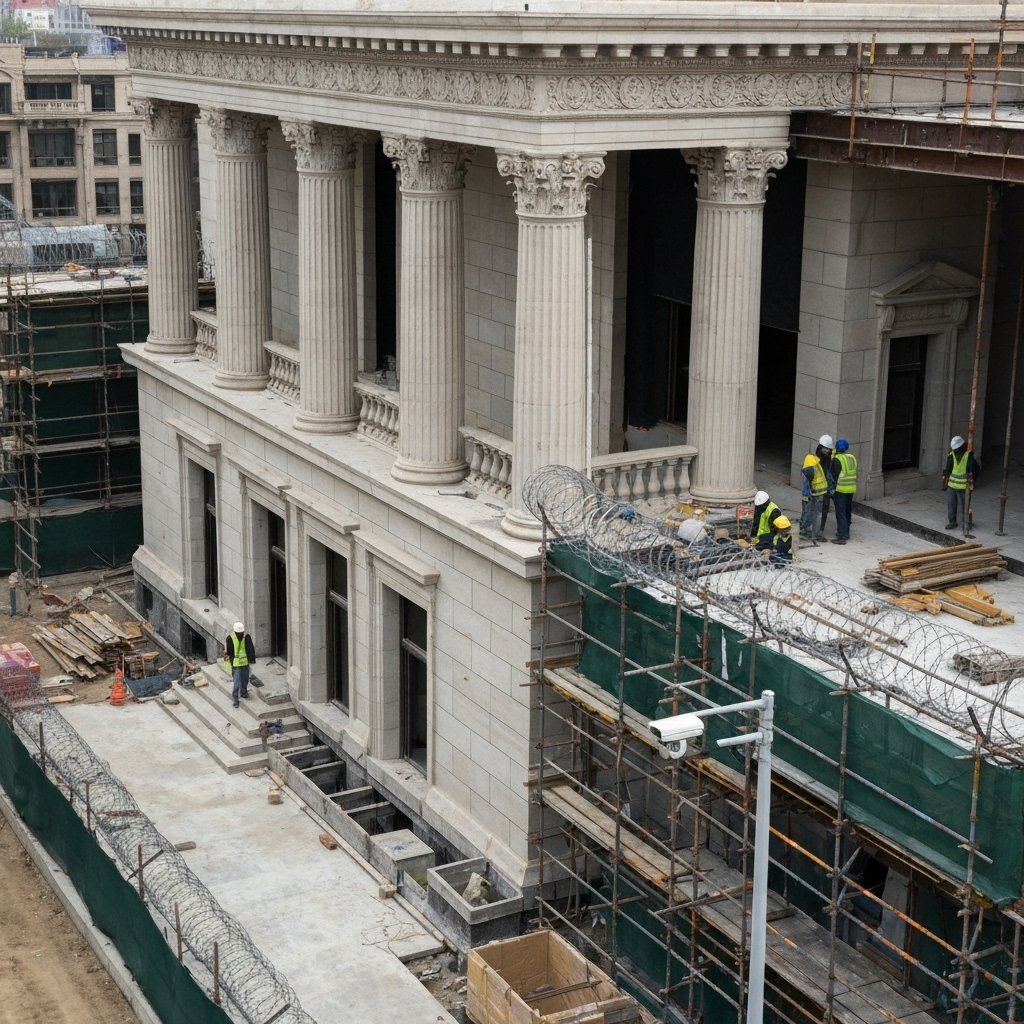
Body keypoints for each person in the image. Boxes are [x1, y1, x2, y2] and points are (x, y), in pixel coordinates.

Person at [942, 435, 981, 530]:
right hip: (952, 485)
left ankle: (966, 523)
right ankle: (952, 522)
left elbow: (975, 469)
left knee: (965, 506)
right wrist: (945, 477)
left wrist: (972, 480)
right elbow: (948, 469)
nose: (955, 451)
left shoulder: (968, 457)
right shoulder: (951, 456)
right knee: (952, 505)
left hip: (964, 486)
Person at [224, 621, 256, 708]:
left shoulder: (234, 637)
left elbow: (250, 649)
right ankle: (236, 698)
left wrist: (251, 659)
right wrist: (252, 659)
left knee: (242, 680)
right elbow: (250, 649)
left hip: (241, 663)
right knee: (238, 681)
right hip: (238, 663)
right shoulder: (234, 638)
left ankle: (242, 694)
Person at [830, 439, 857, 545]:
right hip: (851, 488)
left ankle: (842, 535)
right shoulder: (852, 457)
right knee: (847, 511)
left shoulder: (837, 460)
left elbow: (833, 475)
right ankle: (846, 531)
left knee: (840, 512)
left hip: (840, 489)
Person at [800, 451, 828, 544]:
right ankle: (812, 533)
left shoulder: (809, 469)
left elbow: (807, 484)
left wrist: (807, 496)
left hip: (815, 493)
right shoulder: (816, 465)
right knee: (816, 514)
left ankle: (808, 532)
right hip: (821, 492)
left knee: (811, 513)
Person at [815, 434, 835, 535]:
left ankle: (821, 530)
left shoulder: (831, 457)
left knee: (825, 507)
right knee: (815, 506)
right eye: (825, 449)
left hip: (826, 484)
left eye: (828, 449)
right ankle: (816, 529)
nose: (826, 450)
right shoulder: (816, 457)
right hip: (817, 485)